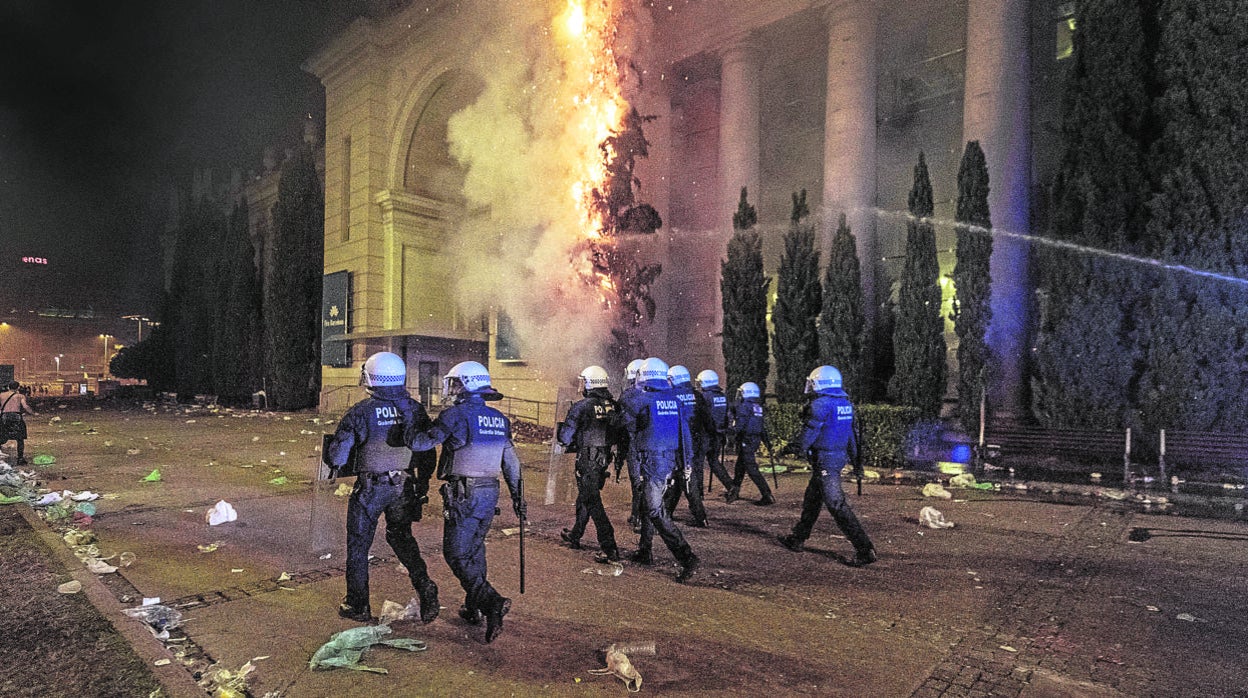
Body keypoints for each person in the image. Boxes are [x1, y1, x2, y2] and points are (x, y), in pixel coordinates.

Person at [406, 361, 525, 643]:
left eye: (454, 383)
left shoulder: (455, 416)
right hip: (490, 492)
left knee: (456, 554)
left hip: (465, 494)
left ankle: (491, 601)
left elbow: (421, 444)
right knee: (474, 549)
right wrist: (519, 499)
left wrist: (411, 426)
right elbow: (511, 463)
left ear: (465, 384)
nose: (451, 389)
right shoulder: (499, 419)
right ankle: (474, 609)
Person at [324, 352, 439, 624]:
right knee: (401, 537)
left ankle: (358, 604)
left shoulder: (361, 412)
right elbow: (427, 453)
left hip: (371, 489)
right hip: (404, 485)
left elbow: (338, 458)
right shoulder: (415, 408)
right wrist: (421, 485)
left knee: (359, 545)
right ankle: (425, 586)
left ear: (371, 377)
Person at [777, 366, 877, 567]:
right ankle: (798, 538)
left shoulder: (820, 405)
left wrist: (789, 449)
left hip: (825, 461)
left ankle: (864, 549)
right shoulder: (845, 404)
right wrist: (857, 463)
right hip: (836, 458)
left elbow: (808, 436)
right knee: (812, 499)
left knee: (836, 504)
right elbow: (852, 438)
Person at [618, 357, 699, 583]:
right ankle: (645, 551)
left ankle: (687, 557)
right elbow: (685, 435)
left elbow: (625, 424)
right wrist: (687, 464)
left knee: (655, 511)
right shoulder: (674, 400)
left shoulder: (642, 400)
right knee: (647, 505)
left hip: (653, 463)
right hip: (668, 461)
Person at [556, 365, 622, 562]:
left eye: (584, 381)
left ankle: (610, 548)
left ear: (591, 383)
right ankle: (576, 534)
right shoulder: (613, 404)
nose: (581, 384)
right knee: (586, 496)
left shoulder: (582, 406)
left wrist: (563, 434)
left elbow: (565, 438)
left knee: (592, 501)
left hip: (587, 459)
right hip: (603, 459)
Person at [662, 365, 707, 526]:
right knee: (684, 476)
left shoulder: (671, 396)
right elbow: (706, 420)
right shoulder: (697, 396)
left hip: (677, 442)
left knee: (682, 477)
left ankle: (698, 515)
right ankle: (669, 512)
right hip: (694, 442)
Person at [725, 382, 775, 505]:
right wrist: (767, 442)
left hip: (746, 439)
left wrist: (729, 431)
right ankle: (734, 492)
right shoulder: (757, 407)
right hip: (754, 439)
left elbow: (740, 425)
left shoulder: (744, 406)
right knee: (740, 467)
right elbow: (761, 426)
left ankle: (767, 494)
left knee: (751, 468)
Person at [692, 370, 734, 495]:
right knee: (714, 462)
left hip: (706, 435)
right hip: (719, 435)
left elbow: (701, 416)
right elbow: (728, 416)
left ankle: (698, 492)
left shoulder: (704, 397)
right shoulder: (722, 396)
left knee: (698, 463)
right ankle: (731, 486)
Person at [616, 358, 645, 531]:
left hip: (634, 443)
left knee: (638, 482)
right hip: (654, 444)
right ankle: (637, 514)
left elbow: (620, 424)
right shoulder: (656, 394)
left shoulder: (628, 395)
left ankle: (640, 517)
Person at [0, 381, 38, 465]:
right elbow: (25, 406)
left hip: (4, 416)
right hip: (16, 416)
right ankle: (20, 459)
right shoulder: (20, 396)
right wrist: (33, 413)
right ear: (17, 388)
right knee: (20, 438)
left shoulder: (1, 395)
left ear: (8, 387)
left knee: (2, 435)